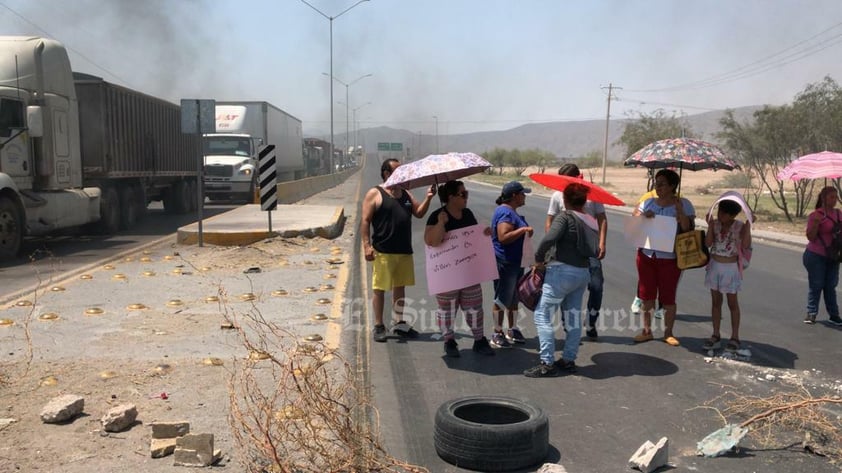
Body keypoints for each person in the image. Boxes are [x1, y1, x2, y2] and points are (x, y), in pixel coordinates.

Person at [524, 183, 597, 377]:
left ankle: (546, 362)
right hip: (582, 272)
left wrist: (538, 259)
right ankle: (568, 359)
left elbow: (549, 238)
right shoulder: (591, 220)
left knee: (542, 315)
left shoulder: (565, 217)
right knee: (573, 318)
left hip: (561, 272)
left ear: (565, 200)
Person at [360, 159, 435, 342]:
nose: (402, 173)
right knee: (379, 288)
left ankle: (399, 323)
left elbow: (419, 212)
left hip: (403, 250)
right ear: (386, 173)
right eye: (397, 170)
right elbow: (365, 221)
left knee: (399, 288)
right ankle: (379, 325)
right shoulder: (375, 193)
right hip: (383, 251)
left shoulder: (406, 194)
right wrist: (366, 246)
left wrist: (429, 197)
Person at [424, 181, 495, 357]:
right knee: (447, 310)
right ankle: (449, 341)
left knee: (475, 307)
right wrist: (441, 224)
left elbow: (474, 237)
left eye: (466, 193)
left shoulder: (468, 214)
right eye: (463, 194)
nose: (466, 197)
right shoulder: (436, 216)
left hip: (468, 272)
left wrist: (484, 233)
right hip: (446, 276)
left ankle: (479, 340)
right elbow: (431, 241)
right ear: (451, 197)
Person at [632, 169, 695, 346]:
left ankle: (668, 332)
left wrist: (680, 212)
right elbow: (634, 221)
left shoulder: (684, 204)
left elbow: (687, 228)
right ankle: (647, 331)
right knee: (647, 295)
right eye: (656, 183)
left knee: (668, 296)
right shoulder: (648, 203)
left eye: (662, 184)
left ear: (673, 186)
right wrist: (643, 216)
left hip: (670, 258)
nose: (658, 187)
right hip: (646, 255)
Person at [545, 163, 607, 340]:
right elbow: (550, 220)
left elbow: (602, 220)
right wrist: (551, 243)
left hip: (590, 249)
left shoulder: (592, 195)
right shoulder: (557, 196)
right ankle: (568, 325)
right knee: (567, 289)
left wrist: (602, 242)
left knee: (596, 286)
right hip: (566, 251)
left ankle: (591, 321)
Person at [703, 200, 752, 352]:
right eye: (720, 212)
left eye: (724, 213)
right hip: (715, 266)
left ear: (733, 215)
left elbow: (745, 245)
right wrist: (710, 226)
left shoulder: (739, 226)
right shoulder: (715, 224)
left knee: (732, 303)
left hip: (731, 268)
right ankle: (716, 334)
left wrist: (749, 226)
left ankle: (735, 336)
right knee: (716, 302)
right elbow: (708, 243)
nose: (720, 215)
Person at [490, 181, 534, 348]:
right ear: (515, 196)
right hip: (506, 262)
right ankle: (497, 331)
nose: (524, 197)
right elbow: (503, 236)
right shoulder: (505, 212)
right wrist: (523, 230)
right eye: (522, 194)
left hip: (516, 262)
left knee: (514, 297)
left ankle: (513, 329)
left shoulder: (510, 212)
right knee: (502, 297)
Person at [803, 186, 842, 326]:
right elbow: (810, 237)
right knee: (817, 284)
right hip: (815, 255)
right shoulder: (816, 215)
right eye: (831, 197)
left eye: (836, 197)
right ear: (824, 198)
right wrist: (816, 223)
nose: (835, 199)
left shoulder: (838, 214)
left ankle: (834, 315)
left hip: (833, 255)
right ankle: (811, 313)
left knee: (830, 285)